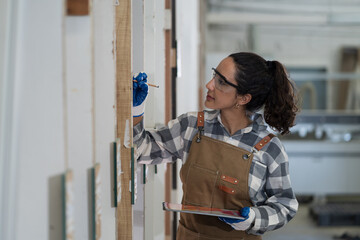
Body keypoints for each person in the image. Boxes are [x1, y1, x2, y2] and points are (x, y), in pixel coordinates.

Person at [133, 52, 299, 239]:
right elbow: (142, 150)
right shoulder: (192, 126)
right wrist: (136, 110)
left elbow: (285, 206)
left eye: (221, 82)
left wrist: (253, 218)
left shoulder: (269, 149)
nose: (209, 85)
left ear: (243, 98)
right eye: (214, 75)